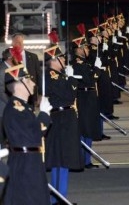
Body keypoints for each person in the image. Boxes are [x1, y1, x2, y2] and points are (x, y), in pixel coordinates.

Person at [3, 63, 52, 205]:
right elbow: (33, 135)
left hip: (30, 162)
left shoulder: (22, 107)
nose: (33, 83)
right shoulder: (15, 109)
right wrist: (43, 115)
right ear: (20, 84)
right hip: (25, 165)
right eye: (29, 80)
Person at [44, 45, 85, 204]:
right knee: (61, 160)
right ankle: (58, 198)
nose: (63, 60)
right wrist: (71, 79)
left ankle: (59, 197)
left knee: (62, 161)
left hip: (66, 118)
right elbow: (70, 94)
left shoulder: (59, 75)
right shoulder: (52, 75)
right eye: (60, 58)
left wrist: (68, 79)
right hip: (61, 119)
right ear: (54, 60)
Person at [72, 41, 102, 169]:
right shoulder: (76, 64)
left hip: (90, 97)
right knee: (84, 129)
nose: (88, 50)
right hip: (83, 98)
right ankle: (82, 160)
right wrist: (97, 70)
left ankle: (86, 159)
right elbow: (90, 79)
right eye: (85, 48)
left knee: (89, 128)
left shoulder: (86, 63)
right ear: (79, 50)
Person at [11, 33, 41, 106]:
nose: (18, 44)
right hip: (14, 96)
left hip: (30, 95)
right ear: (12, 43)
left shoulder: (33, 57)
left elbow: (39, 77)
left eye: (20, 42)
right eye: (16, 42)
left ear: (23, 43)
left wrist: (39, 95)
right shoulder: (9, 58)